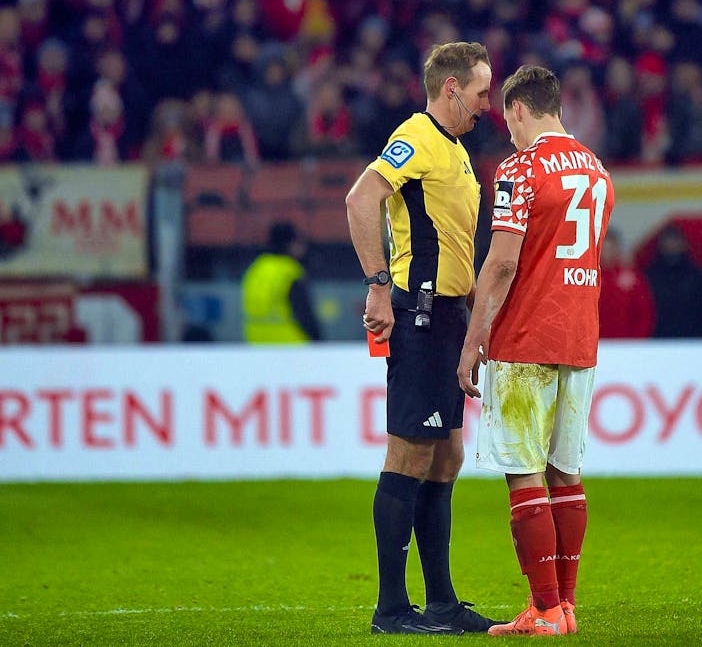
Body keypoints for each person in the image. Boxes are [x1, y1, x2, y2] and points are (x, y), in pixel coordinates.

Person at [344, 41, 497, 635]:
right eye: (483, 91)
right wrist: (379, 285)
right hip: (421, 314)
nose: (489, 103)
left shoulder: (454, 149)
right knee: (409, 453)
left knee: (448, 454)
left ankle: (439, 602)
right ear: (452, 88)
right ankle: (390, 608)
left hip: (448, 317)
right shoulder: (416, 136)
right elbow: (361, 199)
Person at [457, 64, 615, 636]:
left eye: (508, 120)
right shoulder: (597, 171)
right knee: (565, 473)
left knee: (523, 473)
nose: (509, 131)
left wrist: (474, 340)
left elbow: (501, 263)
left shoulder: (520, 168)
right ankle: (565, 606)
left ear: (519, 109)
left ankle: (543, 608)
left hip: (526, 335)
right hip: (580, 334)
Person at [242, 221, 321, 343]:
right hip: (290, 345)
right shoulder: (289, 271)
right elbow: (304, 314)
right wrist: (318, 341)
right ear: (291, 243)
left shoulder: (256, 268)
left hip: (256, 342)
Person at [644, 224, 702, 338]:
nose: (671, 246)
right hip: (658, 344)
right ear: (660, 245)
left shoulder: (699, 277)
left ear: (684, 244)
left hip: (694, 344)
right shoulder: (649, 277)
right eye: (667, 242)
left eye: (675, 241)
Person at [599, 228, 655, 339]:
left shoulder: (633, 278)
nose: (607, 253)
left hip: (627, 346)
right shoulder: (588, 278)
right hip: (596, 345)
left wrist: (636, 341)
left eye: (611, 248)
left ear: (618, 249)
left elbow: (645, 314)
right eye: (604, 249)